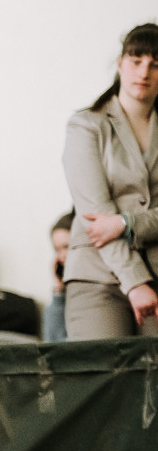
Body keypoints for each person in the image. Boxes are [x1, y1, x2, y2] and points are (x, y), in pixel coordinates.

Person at [62, 23, 158, 339]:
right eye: (136, 60)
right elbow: (96, 216)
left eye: (155, 64)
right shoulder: (86, 125)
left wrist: (126, 223)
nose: (144, 72)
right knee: (104, 367)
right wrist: (135, 282)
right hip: (96, 275)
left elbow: (115, 222)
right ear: (120, 63)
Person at [43, 212, 73, 342]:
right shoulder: (62, 297)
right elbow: (52, 341)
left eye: (66, 247)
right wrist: (58, 289)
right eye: (57, 250)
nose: (61, 256)